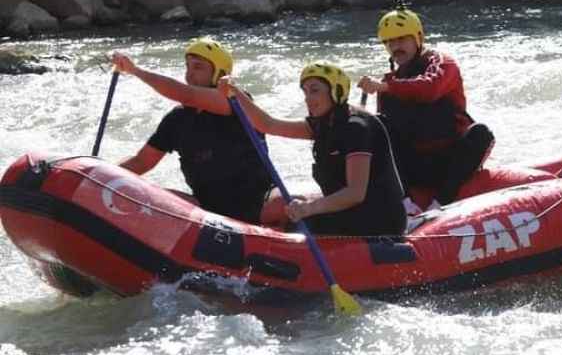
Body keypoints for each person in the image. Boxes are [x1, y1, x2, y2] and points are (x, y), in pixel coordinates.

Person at [208, 61, 407, 236]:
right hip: (351, 213)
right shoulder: (323, 124)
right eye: (305, 92)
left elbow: (355, 193)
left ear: (336, 91)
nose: (308, 98)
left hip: (379, 220)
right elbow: (269, 125)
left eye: (315, 90)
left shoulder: (356, 128)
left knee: (299, 226)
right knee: (294, 222)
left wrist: (309, 208)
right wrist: (236, 93)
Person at [112, 37, 275, 224]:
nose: (189, 74)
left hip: (258, 203)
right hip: (206, 211)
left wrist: (135, 70)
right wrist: (100, 173)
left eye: (198, 67)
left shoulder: (236, 102)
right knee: (147, 196)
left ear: (218, 74)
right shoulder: (177, 119)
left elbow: (186, 95)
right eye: (187, 67)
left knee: (289, 204)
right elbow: (141, 162)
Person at [357, 8, 495, 214]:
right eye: (389, 42)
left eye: (402, 39)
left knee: (480, 133)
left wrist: (386, 87)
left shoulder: (442, 64)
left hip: (449, 160)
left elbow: (430, 88)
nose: (395, 47)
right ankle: (404, 204)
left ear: (419, 38)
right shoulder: (387, 84)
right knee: (377, 125)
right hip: (414, 165)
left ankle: (440, 204)